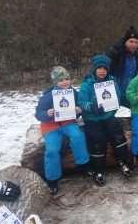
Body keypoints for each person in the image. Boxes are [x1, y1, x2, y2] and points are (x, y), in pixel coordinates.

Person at [35, 66, 91, 195]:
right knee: (52, 150)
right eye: (61, 80)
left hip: (68, 123)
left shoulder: (73, 93)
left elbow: (79, 106)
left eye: (67, 79)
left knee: (78, 137)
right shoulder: (48, 96)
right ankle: (52, 179)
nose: (65, 82)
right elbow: (38, 114)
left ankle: (83, 165)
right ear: (55, 82)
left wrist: (79, 111)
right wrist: (47, 113)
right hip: (50, 126)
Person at [78, 55, 131, 186]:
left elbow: (117, 98)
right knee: (98, 139)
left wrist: (112, 108)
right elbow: (81, 102)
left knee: (117, 135)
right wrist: (92, 107)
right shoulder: (87, 84)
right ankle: (99, 170)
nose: (102, 71)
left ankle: (123, 161)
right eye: (99, 68)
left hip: (108, 116)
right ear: (94, 69)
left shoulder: (112, 82)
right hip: (91, 118)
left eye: (104, 69)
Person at [107, 26, 138, 107]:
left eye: (136, 42)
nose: (133, 44)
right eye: (131, 41)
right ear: (125, 42)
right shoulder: (115, 54)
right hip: (117, 94)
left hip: (132, 94)